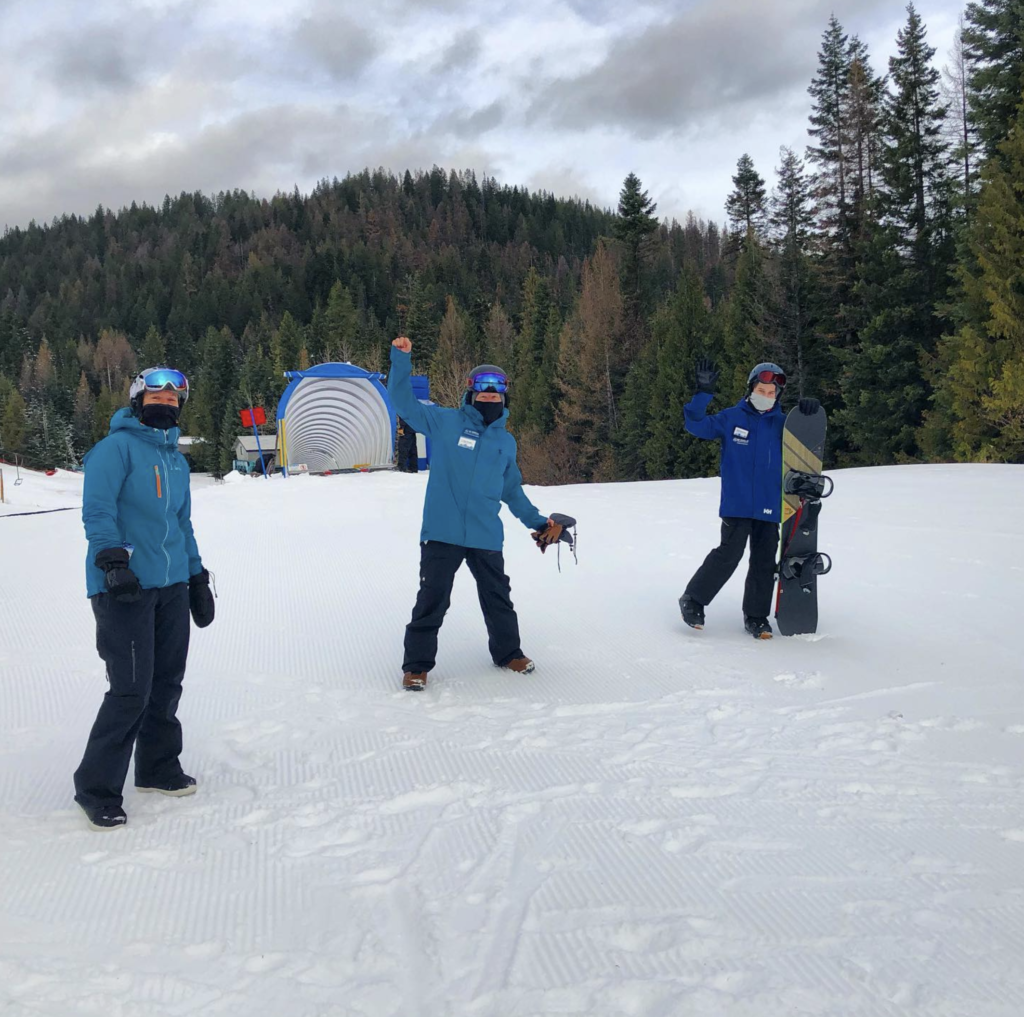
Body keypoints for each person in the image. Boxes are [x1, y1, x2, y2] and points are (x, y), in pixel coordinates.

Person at [74, 367, 215, 830]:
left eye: (174, 401)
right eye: (157, 397)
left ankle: (157, 769)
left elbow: (183, 524)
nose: (166, 404)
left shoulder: (176, 459)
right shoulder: (113, 450)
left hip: (170, 586)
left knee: (166, 683)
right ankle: (96, 789)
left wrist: (196, 578)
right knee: (131, 689)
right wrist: (113, 563)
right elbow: (97, 511)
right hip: (124, 587)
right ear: (137, 401)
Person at [388, 336, 566, 690]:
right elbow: (402, 401)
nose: (488, 395)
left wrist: (538, 521)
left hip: (485, 533)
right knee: (433, 598)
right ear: (470, 394)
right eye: (482, 390)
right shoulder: (444, 421)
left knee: (497, 595)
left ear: (504, 397)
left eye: (495, 391)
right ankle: (417, 666)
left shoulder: (505, 441)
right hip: (442, 531)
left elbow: (511, 490)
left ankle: (508, 653)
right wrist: (401, 359)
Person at [679, 359, 820, 640]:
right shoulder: (732, 418)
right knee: (729, 554)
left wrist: (806, 416)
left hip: (770, 506)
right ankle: (693, 600)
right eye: (761, 390)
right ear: (750, 388)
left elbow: (807, 446)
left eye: (771, 393)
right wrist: (702, 394)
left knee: (764, 562)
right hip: (738, 503)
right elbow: (695, 425)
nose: (766, 397)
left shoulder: (783, 425)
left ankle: (756, 617)